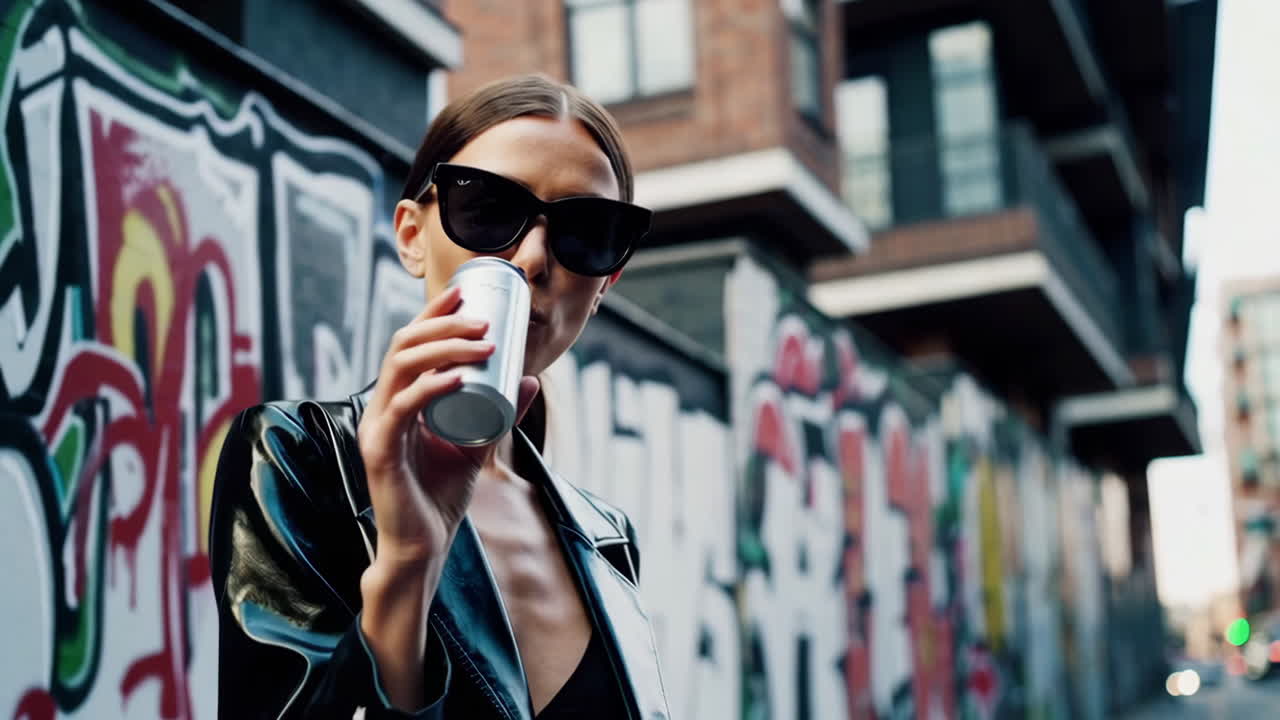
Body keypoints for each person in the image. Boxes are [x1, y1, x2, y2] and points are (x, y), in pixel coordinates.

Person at [209, 74, 668, 720]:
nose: (533, 259)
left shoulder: (607, 538)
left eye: (586, 231)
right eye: (488, 211)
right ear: (411, 235)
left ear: (605, 285)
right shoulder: (302, 458)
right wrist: (405, 567)